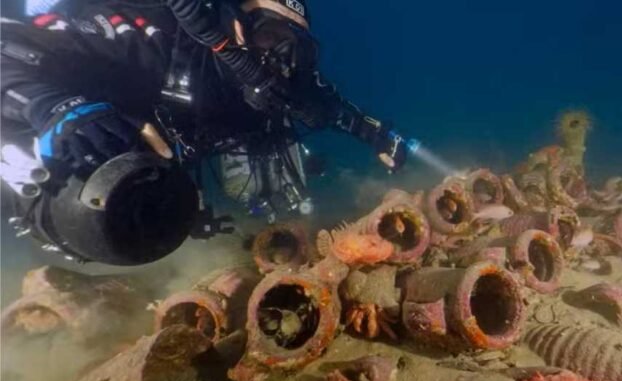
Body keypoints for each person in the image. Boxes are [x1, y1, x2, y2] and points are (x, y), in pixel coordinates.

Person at [0, 0, 415, 265]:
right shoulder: (150, 39)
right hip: (73, 156)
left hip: (162, 175)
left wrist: (375, 136)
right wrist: (48, 106)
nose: (281, 59)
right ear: (234, 26)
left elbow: (325, 106)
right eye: (270, 36)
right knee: (90, 195)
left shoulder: (279, 84)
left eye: (296, 49)